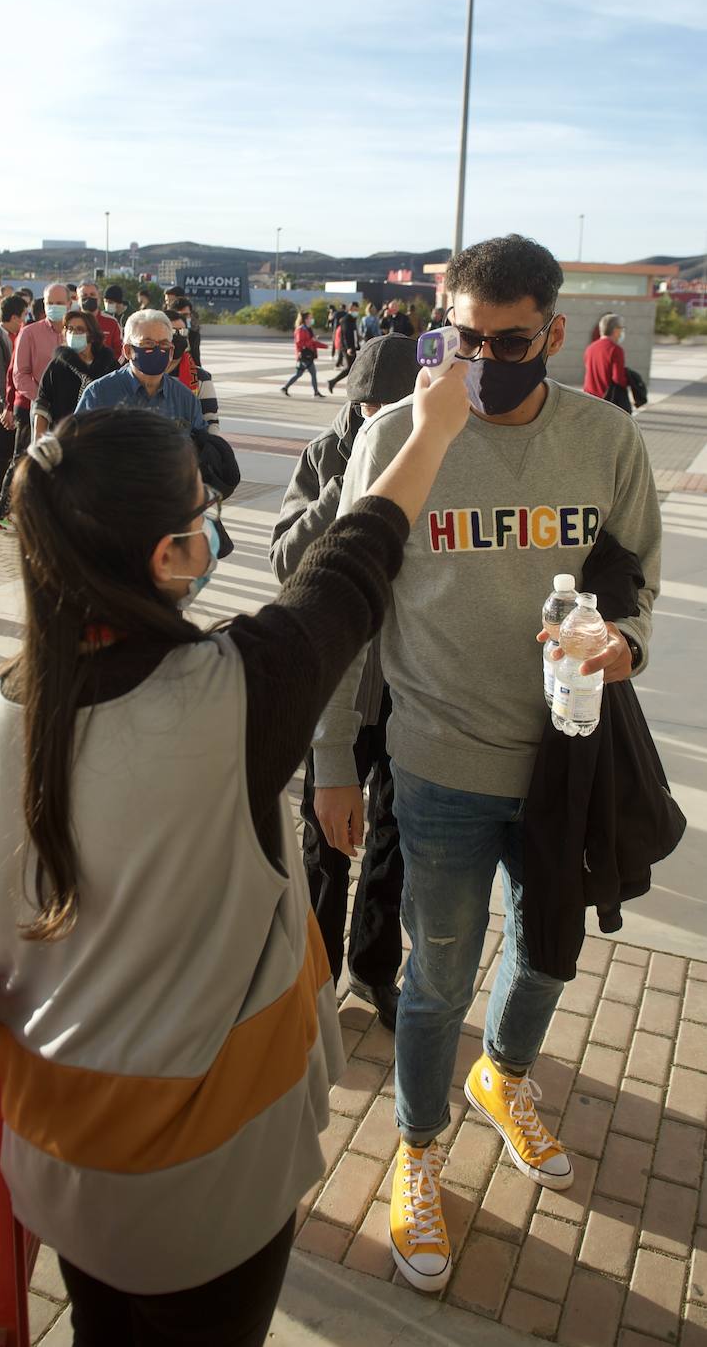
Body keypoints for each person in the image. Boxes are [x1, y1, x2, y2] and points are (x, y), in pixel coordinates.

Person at [0, 361, 471, 1344]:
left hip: (63, 1156)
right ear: (172, 553)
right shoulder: (237, 693)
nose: (215, 524)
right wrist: (428, 431)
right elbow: (355, 563)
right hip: (215, 1179)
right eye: (204, 512)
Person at [312, 233, 661, 1293]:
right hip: (439, 764)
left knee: (551, 956)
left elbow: (635, 582)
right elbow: (343, 610)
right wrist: (331, 758)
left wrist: (624, 645)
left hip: (566, 763)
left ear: (553, 334)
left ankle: (504, 1079)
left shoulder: (603, 438)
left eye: (507, 341)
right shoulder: (395, 435)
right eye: (460, 337)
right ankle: (419, 1152)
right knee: (435, 980)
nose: (480, 359)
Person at [272, 335, 420, 1025]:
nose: (383, 417)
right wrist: (350, 484)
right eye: (371, 406)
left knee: (393, 828)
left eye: (398, 406)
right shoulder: (327, 455)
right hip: (339, 684)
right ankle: (316, 973)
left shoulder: (437, 452)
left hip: (411, 683)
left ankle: (373, 967)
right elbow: (285, 559)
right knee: (325, 835)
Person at [0, 283, 69, 529]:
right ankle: (2, 510)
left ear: (69, 303)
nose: (55, 307)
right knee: (24, 458)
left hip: (66, 409)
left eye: (60, 302)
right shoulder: (30, 332)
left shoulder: (74, 333)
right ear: (43, 305)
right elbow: (19, 374)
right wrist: (43, 399)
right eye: (50, 303)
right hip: (30, 407)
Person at [76, 310, 207, 433]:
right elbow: (76, 445)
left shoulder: (185, 399)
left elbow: (199, 447)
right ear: (127, 351)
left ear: (171, 352)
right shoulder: (98, 395)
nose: (157, 350)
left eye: (163, 344)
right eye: (148, 343)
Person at [32, 311, 119, 440]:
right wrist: (38, 442)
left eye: (80, 330)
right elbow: (43, 404)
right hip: (64, 438)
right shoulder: (58, 366)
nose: (73, 333)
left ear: (92, 336)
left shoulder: (108, 365)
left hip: (101, 439)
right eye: (69, 329)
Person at [0, 294, 28, 497]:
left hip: (15, 402)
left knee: (14, 448)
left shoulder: (19, 335)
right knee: (2, 449)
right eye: (24, 315)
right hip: (0, 404)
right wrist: (6, 406)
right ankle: (0, 492)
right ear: (15, 317)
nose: (26, 319)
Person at [168, 311, 220, 427]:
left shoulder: (200, 377)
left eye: (182, 332)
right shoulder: (147, 373)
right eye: (172, 332)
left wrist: (207, 444)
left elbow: (211, 420)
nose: (178, 337)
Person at [583, 312, 631, 413]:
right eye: (622, 328)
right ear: (616, 329)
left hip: (589, 399)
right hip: (607, 402)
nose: (622, 331)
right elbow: (618, 379)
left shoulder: (590, 348)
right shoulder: (615, 349)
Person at [281, 311, 327, 398]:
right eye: (310, 318)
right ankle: (316, 392)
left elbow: (313, 342)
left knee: (298, 374)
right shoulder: (300, 329)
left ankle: (285, 388)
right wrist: (312, 340)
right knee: (313, 373)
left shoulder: (308, 329)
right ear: (305, 319)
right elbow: (300, 343)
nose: (312, 319)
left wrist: (325, 346)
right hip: (304, 356)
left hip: (307, 355)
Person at [77, 281, 123, 361]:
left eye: (92, 295)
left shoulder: (112, 322)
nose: (89, 298)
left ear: (99, 298)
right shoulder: (71, 322)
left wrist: (111, 368)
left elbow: (120, 350)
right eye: (84, 295)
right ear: (78, 299)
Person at [327, 303, 361, 393]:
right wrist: (349, 348)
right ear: (351, 309)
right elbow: (346, 335)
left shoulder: (352, 319)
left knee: (352, 368)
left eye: (357, 309)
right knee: (350, 368)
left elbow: (353, 333)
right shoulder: (346, 320)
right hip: (347, 348)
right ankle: (334, 382)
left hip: (352, 347)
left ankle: (334, 382)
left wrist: (357, 343)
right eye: (355, 309)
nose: (357, 311)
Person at [170, 297, 201, 366]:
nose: (184, 318)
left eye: (186, 315)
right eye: (181, 315)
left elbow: (196, 357)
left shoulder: (194, 335)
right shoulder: (165, 334)